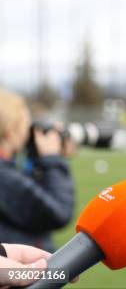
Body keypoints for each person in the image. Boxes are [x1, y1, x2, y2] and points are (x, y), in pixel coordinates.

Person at [0, 88, 75, 253]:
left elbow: (30, 191)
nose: (30, 133)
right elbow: (58, 212)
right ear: (10, 131)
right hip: (17, 273)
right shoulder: (4, 176)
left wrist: (41, 159)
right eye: (27, 126)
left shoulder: (7, 168)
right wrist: (52, 160)